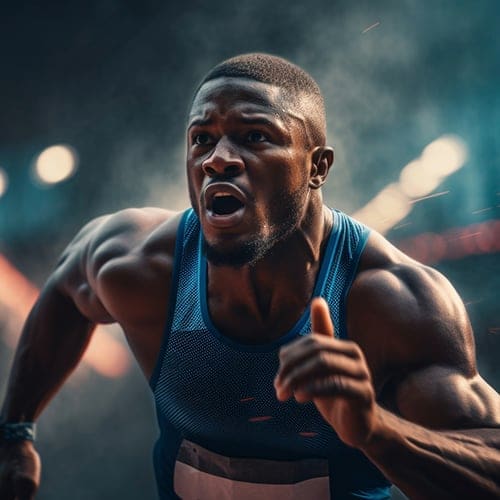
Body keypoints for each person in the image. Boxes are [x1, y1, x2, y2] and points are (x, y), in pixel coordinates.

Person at [0, 53, 499, 500]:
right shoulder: (143, 263)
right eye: (202, 139)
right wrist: (15, 431)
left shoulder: (392, 301)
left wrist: (376, 431)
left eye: (255, 136)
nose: (217, 158)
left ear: (317, 167)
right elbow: (67, 289)